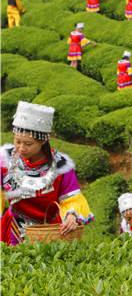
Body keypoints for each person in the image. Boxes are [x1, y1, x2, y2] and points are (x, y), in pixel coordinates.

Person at [1, 102, 93, 245]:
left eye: (28, 144)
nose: (21, 148)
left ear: (42, 141)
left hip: (50, 230)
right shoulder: (5, 160)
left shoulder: (61, 167)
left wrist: (72, 216)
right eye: (17, 141)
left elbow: (72, 198)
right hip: (14, 227)